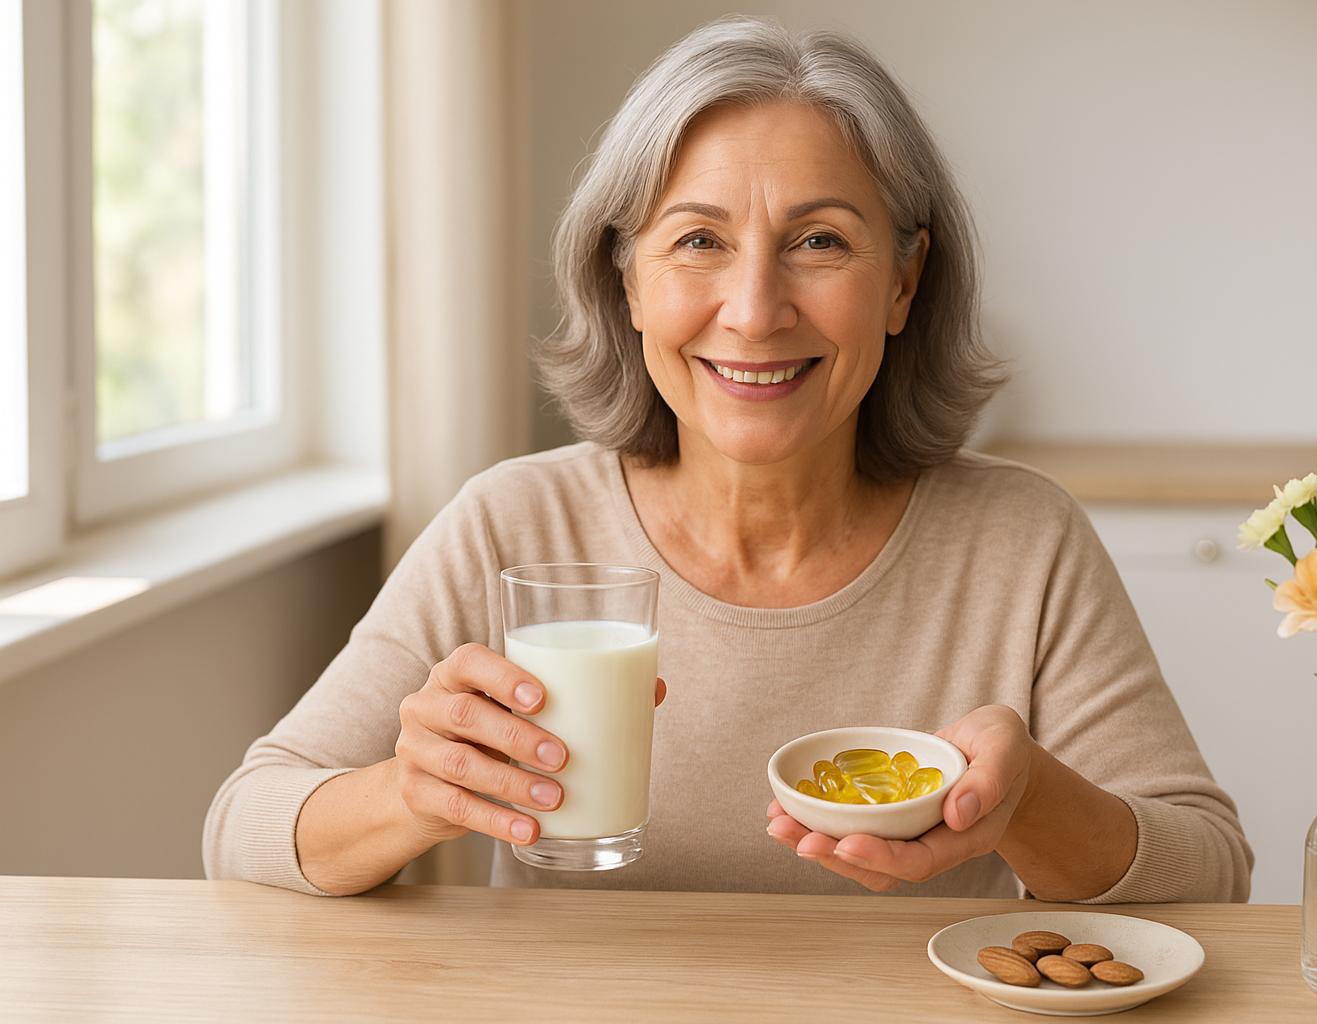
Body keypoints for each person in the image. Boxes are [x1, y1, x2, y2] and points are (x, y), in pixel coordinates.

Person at [205, 16, 1253, 902]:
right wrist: (414, 789)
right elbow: (243, 827)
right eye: (697, 241)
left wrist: (1028, 804)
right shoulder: (516, 527)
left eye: (822, 242)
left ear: (903, 281)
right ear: (626, 281)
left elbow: (1211, 870)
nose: (753, 311)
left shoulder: (1020, 541)